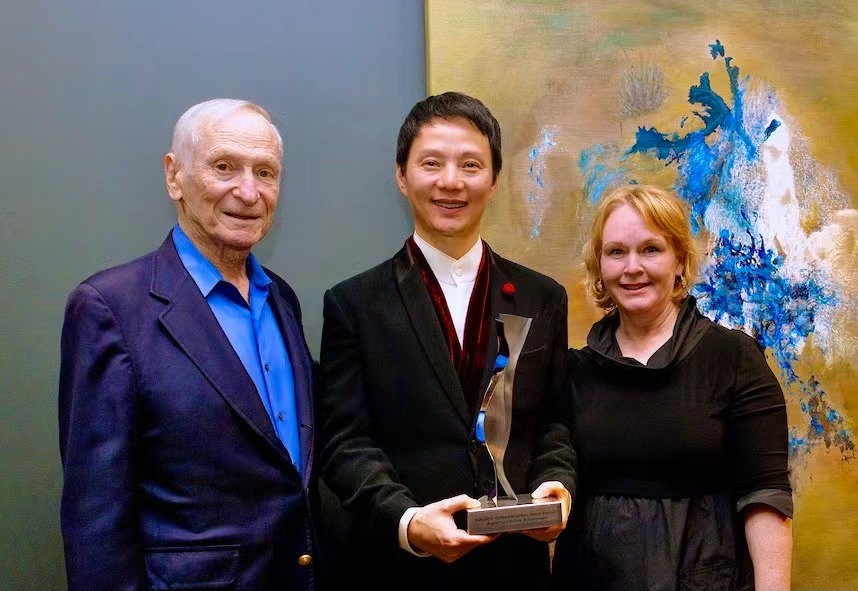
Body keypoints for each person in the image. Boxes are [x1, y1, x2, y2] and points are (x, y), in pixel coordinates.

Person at [58, 99, 323, 590]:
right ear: (174, 176)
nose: (248, 191)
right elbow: (95, 521)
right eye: (224, 167)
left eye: (265, 172)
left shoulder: (280, 298)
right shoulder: (110, 308)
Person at [317, 91, 577, 589]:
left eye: (471, 165)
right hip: (399, 570)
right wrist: (408, 521)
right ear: (401, 175)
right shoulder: (354, 303)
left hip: (516, 568)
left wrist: (558, 488)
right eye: (431, 163)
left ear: (494, 179)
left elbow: (555, 421)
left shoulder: (542, 297)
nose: (451, 182)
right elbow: (344, 443)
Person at [551, 184, 793, 590]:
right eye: (616, 252)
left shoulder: (732, 357)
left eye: (650, 249)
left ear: (680, 260)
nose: (632, 267)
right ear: (599, 266)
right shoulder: (574, 370)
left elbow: (765, 494)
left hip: (706, 577)